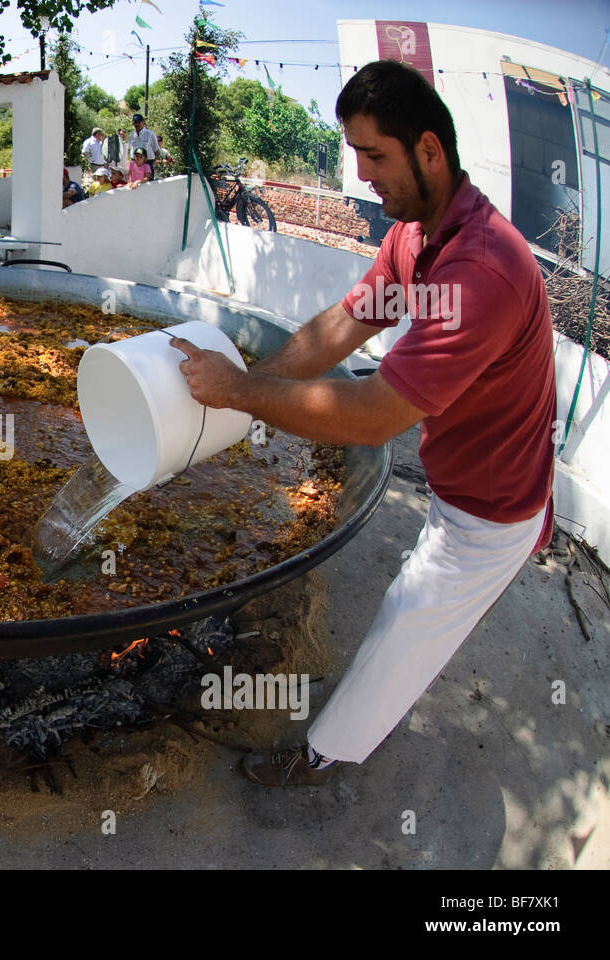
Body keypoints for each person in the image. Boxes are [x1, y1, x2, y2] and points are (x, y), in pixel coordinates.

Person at [170, 60, 556, 786]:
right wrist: (248, 383)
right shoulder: (415, 236)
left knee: (405, 625)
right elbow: (347, 322)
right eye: (356, 156)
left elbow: (376, 415)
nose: (364, 175)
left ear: (430, 151)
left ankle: (320, 759)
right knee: (411, 603)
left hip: (487, 508)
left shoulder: (485, 269)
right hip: (473, 463)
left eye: (375, 156)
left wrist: (241, 395)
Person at [128, 114, 160, 181]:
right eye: (135, 122)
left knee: (148, 185)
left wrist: (154, 162)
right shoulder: (131, 135)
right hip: (135, 163)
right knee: (134, 184)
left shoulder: (150, 134)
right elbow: (130, 149)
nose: (137, 124)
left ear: (143, 122)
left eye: (139, 122)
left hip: (147, 163)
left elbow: (156, 151)